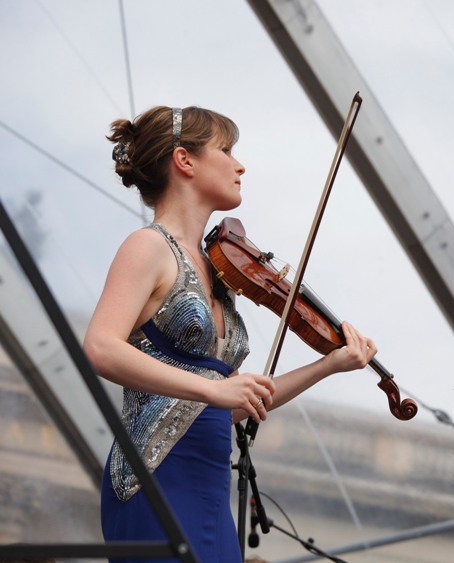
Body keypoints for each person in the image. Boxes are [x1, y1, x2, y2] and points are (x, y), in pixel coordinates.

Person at [83, 105, 377, 562]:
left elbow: (236, 402)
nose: (240, 165)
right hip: (155, 478)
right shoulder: (147, 247)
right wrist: (215, 390)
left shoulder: (218, 270)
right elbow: (100, 348)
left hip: (209, 490)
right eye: (226, 150)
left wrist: (328, 365)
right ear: (185, 160)